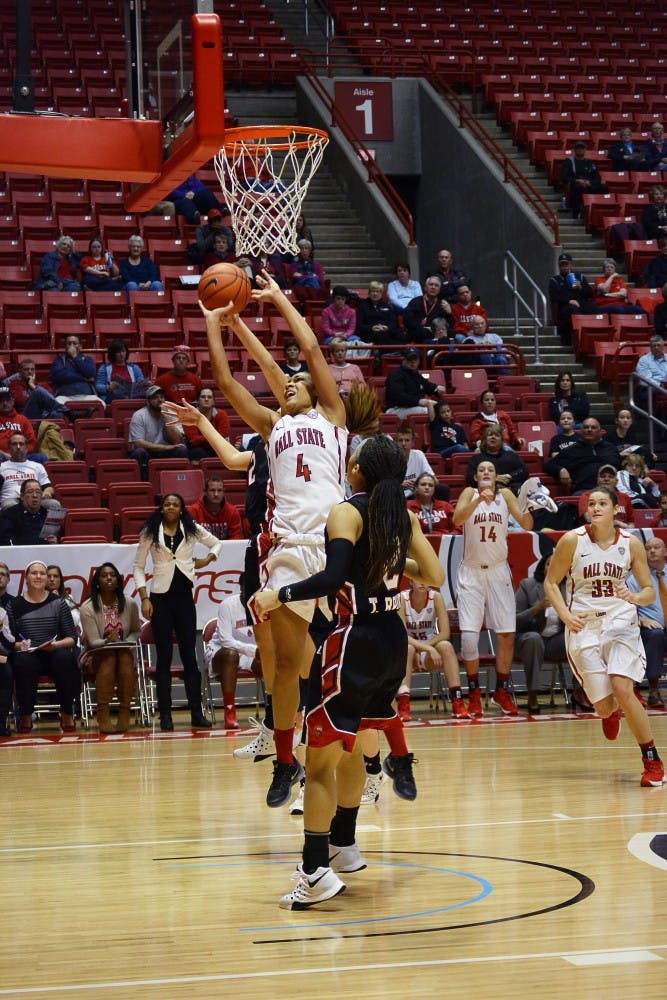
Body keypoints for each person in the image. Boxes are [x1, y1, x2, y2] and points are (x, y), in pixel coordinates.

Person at [252, 434, 445, 910]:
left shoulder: (347, 512)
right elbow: (435, 575)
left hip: (354, 640)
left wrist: (279, 594)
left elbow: (333, 577)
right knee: (358, 745)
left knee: (318, 765)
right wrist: (396, 562)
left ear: (357, 469)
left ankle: (315, 870)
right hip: (391, 644)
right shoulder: (404, 516)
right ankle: (345, 843)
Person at [200, 271, 350, 808]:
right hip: (287, 550)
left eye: (296, 381)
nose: (288, 383)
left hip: (338, 548)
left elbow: (309, 348)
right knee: (286, 667)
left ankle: (366, 756)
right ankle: (285, 761)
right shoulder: (271, 426)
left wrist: (279, 299)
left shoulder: (333, 418)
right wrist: (215, 325)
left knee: (338, 666)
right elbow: (226, 383)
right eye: (283, 382)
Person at [544, 487, 664, 787]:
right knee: (603, 706)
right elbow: (550, 582)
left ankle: (652, 759)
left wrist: (634, 596)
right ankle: (611, 712)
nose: (595, 508)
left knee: (623, 688)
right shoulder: (572, 541)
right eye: (591, 504)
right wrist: (565, 615)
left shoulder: (631, 544)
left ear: (615, 510)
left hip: (620, 619)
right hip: (584, 625)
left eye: (602, 503)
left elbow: (648, 591)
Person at [134, 494, 221, 731]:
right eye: (167, 504)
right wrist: (144, 597)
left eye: (176, 504)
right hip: (159, 598)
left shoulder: (191, 529)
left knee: (189, 656)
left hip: (184, 597)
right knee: (163, 657)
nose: (171, 507)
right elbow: (139, 567)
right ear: (161, 508)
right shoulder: (150, 532)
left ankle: (196, 712)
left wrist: (208, 559)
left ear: (182, 509)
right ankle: (165, 716)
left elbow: (216, 542)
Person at [453, 460, 533, 718]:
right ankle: (474, 693)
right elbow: (457, 519)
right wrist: (477, 501)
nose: (486, 473)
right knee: (468, 638)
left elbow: (527, 524)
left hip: (499, 571)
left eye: (491, 470)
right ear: (475, 476)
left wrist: (530, 505)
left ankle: (500, 690)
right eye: (481, 470)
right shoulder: (469, 494)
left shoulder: (506, 495)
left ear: (497, 476)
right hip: (472, 572)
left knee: (506, 634)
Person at [11, 560, 80, 734]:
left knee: (65, 658)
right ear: (26, 577)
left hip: (53, 651)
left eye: (42, 573)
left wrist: (56, 644)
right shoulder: (15, 605)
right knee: (24, 663)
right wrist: (20, 645)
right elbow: (8, 640)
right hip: (28, 654)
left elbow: (72, 638)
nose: (38, 576)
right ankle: (26, 714)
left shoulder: (58, 603)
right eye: (34, 573)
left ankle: (66, 711)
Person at [79, 562, 141, 733]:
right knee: (109, 658)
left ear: (118, 581)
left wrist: (125, 640)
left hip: (123, 651)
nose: (108, 578)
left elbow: (136, 631)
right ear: (97, 581)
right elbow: (92, 641)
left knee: (123, 658)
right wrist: (107, 641)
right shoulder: (88, 607)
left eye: (112, 575)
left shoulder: (129, 603)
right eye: (104, 575)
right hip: (96, 654)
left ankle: (124, 711)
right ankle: (103, 713)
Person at [398, 579, 468, 721]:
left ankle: (457, 701)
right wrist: (425, 648)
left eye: (426, 579)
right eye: (419, 579)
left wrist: (428, 649)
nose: (422, 583)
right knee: (409, 648)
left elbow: (445, 633)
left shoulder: (436, 597)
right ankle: (403, 706)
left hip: (429, 649)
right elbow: (401, 634)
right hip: (409, 649)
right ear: (411, 581)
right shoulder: (402, 598)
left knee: (446, 646)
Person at [204, 574, 260, 730]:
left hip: (248, 653)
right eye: (247, 587)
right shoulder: (228, 605)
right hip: (219, 652)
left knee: (272, 662)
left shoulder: (263, 606)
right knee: (231, 654)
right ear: (241, 587)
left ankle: (275, 712)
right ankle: (230, 712)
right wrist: (253, 650)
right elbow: (226, 641)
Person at [515, 554, 567, 715]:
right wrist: (537, 608)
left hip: (554, 642)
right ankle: (532, 694)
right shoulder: (528, 585)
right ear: (543, 567)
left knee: (579, 638)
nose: (553, 568)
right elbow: (514, 620)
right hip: (527, 640)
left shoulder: (568, 587)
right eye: (549, 564)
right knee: (534, 639)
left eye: (557, 564)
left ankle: (581, 692)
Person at [627, 537, 667, 709]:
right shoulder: (635, 579)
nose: (652, 551)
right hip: (648, 630)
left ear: (665, 551)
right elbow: (627, 608)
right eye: (648, 548)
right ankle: (653, 690)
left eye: (656, 547)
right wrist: (641, 619)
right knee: (656, 635)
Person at [544, 418, 621, 494]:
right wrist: (560, 469)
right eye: (586, 427)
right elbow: (548, 465)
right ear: (581, 431)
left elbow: (621, 467)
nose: (589, 430)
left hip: (610, 490)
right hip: (584, 491)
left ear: (600, 431)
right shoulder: (571, 450)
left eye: (593, 427)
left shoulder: (611, 448)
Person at [127, 385, 188, 474]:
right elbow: (138, 443)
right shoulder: (139, 415)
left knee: (182, 450)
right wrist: (166, 447)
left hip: (168, 451)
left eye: (162, 397)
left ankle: (178, 481)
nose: (160, 400)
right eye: (155, 398)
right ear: (148, 402)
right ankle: (143, 483)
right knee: (139, 452)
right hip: (149, 451)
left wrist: (166, 418)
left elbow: (177, 440)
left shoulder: (172, 413)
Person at [385, 347, 447, 420]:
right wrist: (418, 401)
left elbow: (427, 386)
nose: (413, 362)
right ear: (404, 360)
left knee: (444, 409)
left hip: (413, 407)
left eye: (415, 359)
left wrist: (436, 389)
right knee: (429, 411)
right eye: (410, 359)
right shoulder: (395, 375)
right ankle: (435, 430)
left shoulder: (415, 374)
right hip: (396, 409)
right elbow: (399, 397)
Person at [465, 423, 529, 494]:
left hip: (513, 491)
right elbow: (471, 477)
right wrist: (494, 478)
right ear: (484, 440)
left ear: (502, 440)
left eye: (497, 435)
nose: (493, 437)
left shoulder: (511, 455)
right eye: (490, 435)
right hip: (487, 492)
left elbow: (523, 471)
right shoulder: (477, 458)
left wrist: (510, 476)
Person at [548, 253, 594, 343]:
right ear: (559, 266)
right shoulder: (554, 280)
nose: (564, 267)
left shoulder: (579, 277)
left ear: (570, 265)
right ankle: (579, 339)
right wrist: (569, 300)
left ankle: (594, 337)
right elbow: (554, 297)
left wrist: (581, 287)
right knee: (572, 310)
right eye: (562, 265)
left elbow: (589, 293)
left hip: (581, 304)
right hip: (564, 307)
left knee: (594, 308)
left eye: (566, 264)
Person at [4, 358, 69, 421]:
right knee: (38, 392)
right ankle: (68, 412)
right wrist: (33, 388)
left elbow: (51, 400)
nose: (30, 372)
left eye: (32, 369)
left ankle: (65, 412)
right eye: (26, 369)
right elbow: (21, 402)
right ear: (20, 372)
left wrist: (34, 387)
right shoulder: (14, 385)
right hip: (26, 416)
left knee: (58, 415)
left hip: (44, 415)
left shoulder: (42, 385)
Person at [0, 433, 54, 509]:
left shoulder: (37, 466)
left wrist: (47, 492)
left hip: (35, 500)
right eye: (14, 444)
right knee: (11, 506)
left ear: (26, 448)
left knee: (54, 504)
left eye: (21, 444)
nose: (18, 447)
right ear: (9, 448)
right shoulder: (1, 467)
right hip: (11, 500)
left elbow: (48, 487)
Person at [0, 479, 60, 545]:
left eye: (38, 492)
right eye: (30, 492)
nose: (35, 495)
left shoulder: (46, 515)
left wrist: (55, 541)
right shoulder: (9, 515)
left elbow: (59, 539)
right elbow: (7, 541)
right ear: (22, 496)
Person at [559, 140, 608, 219]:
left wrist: (590, 182)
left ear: (585, 150)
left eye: (582, 148)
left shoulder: (590, 162)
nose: (580, 150)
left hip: (589, 185)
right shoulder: (568, 162)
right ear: (574, 150)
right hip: (576, 184)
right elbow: (564, 176)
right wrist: (577, 180)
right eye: (578, 148)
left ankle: (599, 213)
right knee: (578, 188)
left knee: (604, 187)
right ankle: (577, 213)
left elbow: (597, 177)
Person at [182, 387, 230, 461]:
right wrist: (214, 436)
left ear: (214, 401)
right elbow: (194, 440)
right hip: (197, 449)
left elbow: (223, 435)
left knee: (226, 452)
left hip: (218, 447)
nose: (206, 399)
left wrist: (203, 438)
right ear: (197, 401)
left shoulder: (221, 414)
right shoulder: (189, 416)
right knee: (197, 452)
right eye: (203, 397)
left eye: (209, 397)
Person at [0, 386, 47, 462]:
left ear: (13, 401)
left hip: (22, 456)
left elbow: (32, 442)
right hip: (2, 457)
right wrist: (5, 454)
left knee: (41, 458)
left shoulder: (22, 419)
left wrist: (20, 454)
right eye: (1, 401)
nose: (5, 403)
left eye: (7, 400)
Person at [95, 339, 150, 404]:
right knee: (118, 396)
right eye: (118, 352)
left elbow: (140, 382)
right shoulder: (104, 368)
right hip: (113, 397)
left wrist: (145, 384)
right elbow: (98, 386)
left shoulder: (134, 368)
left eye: (123, 351)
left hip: (132, 397)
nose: (121, 354)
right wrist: (108, 387)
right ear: (113, 354)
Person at [50, 335, 99, 405]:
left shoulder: (88, 359)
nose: (71, 346)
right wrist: (82, 378)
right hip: (65, 396)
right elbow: (60, 376)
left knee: (101, 404)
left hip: (86, 395)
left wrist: (75, 357)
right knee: (56, 406)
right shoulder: (59, 360)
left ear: (80, 346)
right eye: (69, 343)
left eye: (74, 343)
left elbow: (90, 374)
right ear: (65, 347)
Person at [403, 276, 451, 342]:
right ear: (425, 288)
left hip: (436, 334)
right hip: (418, 334)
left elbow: (449, 324)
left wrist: (449, 312)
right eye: (431, 284)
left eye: (436, 285)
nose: (433, 287)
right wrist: (423, 328)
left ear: (439, 290)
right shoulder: (415, 302)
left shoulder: (442, 304)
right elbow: (407, 320)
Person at [395, 424, 435, 499]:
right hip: (395, 497)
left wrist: (420, 484)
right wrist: (398, 485)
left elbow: (433, 478)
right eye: (400, 440)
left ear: (413, 442)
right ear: (396, 442)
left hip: (415, 496)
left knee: (442, 489)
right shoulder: (389, 458)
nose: (403, 444)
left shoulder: (418, 455)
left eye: (407, 440)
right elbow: (382, 486)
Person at [45, 564, 81, 632]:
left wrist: (59, 601)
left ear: (60, 580)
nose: (52, 579)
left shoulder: (68, 598)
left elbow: (75, 621)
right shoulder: (38, 599)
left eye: (55, 576)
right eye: (49, 576)